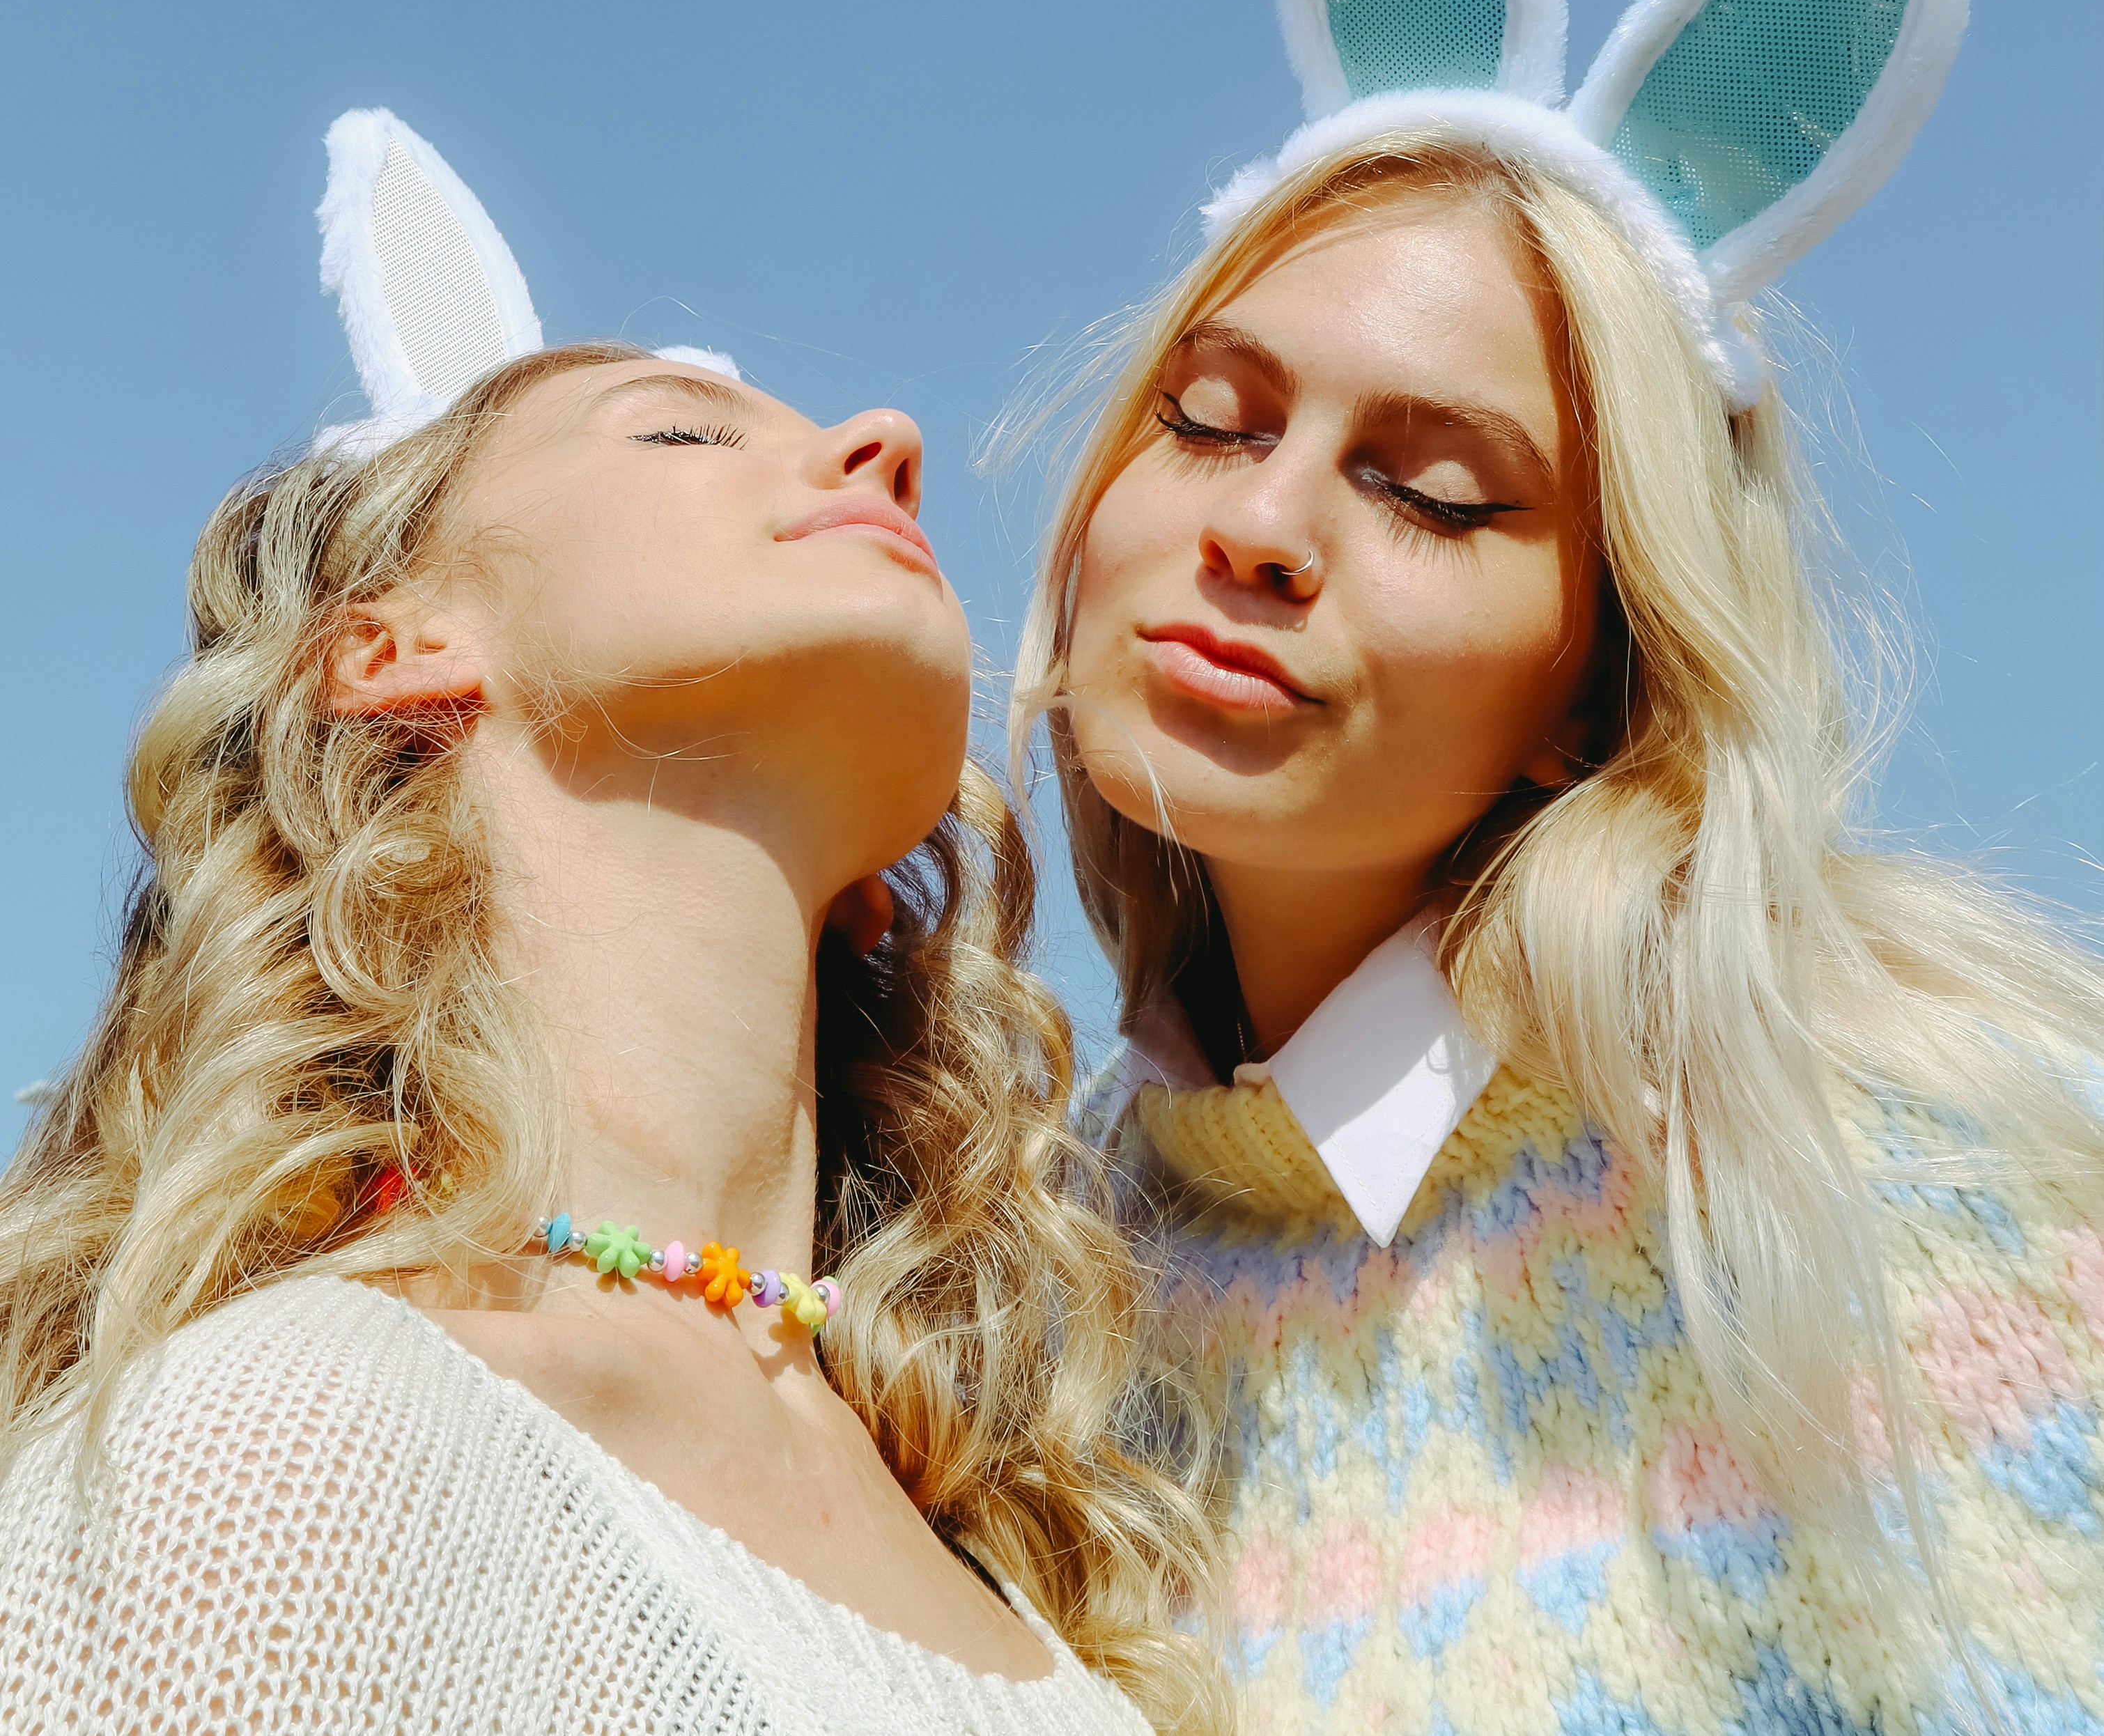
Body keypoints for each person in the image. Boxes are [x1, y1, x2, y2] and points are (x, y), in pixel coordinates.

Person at [1010, 0, 2104, 1733]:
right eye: (1209, 417)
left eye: (1431, 494)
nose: (1260, 526)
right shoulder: (1036, 1275)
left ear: (1589, 690)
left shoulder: (1877, 1172)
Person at [0, 113, 1221, 1736]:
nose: (887, 438)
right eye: (682, 436)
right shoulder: (277, 1452)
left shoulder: (1060, 1618)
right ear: (390, 648)